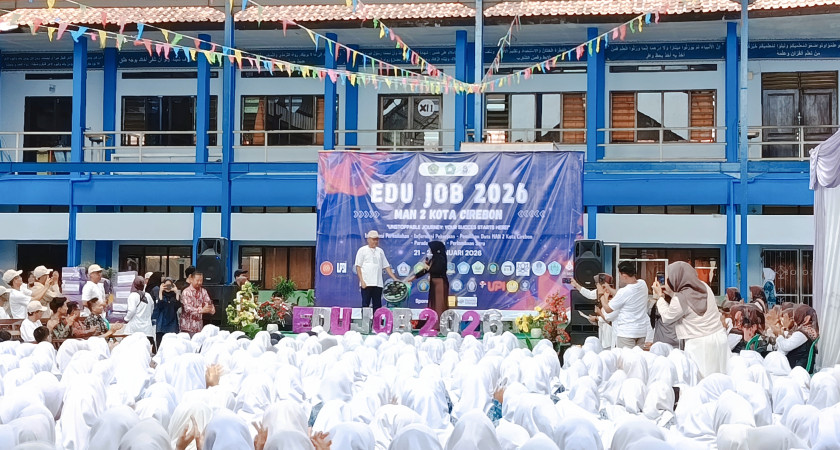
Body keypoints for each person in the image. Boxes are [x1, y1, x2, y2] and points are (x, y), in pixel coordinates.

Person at [654, 261, 729, 377]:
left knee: (702, 381)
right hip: (719, 338)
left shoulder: (680, 299)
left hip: (699, 345)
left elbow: (667, 317)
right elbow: (687, 302)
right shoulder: (705, 286)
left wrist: (660, 297)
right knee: (721, 377)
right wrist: (672, 293)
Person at [599, 262, 650, 349]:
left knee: (626, 357)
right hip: (641, 331)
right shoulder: (642, 284)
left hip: (626, 333)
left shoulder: (624, 292)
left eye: (619, 275)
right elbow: (622, 297)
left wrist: (601, 295)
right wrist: (609, 288)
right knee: (638, 357)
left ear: (624, 276)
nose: (619, 277)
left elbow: (608, 309)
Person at [355, 230, 398, 310]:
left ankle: (377, 318)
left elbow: (386, 266)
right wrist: (362, 281)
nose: (375, 241)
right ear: (368, 239)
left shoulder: (380, 251)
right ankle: (365, 318)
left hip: (378, 283)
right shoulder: (362, 250)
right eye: (373, 239)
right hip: (366, 283)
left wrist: (394, 278)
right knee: (365, 304)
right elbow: (358, 267)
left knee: (377, 305)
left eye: (377, 239)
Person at [572, 273, 616, 349]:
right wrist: (576, 285)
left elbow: (610, 317)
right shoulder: (599, 292)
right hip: (603, 329)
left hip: (609, 330)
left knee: (608, 347)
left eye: (597, 284)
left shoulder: (613, 297)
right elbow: (589, 294)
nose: (596, 286)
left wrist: (596, 318)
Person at [406, 241, 449, 318]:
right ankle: (434, 321)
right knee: (434, 303)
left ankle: (440, 322)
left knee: (439, 304)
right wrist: (414, 277)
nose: (430, 250)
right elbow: (426, 270)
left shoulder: (441, 258)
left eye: (431, 248)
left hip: (440, 283)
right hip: (434, 283)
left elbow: (437, 270)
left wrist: (428, 267)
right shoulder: (433, 258)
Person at [775, 304, 819, 372]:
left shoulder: (802, 334)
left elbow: (785, 347)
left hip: (797, 369)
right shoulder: (810, 330)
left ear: (806, 318)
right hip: (800, 365)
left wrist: (779, 334)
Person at [125, 276, 155, 344]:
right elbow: (152, 309)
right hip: (147, 329)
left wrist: (126, 319)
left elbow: (131, 310)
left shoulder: (133, 295)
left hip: (134, 328)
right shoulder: (148, 296)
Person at [153, 277, 182, 348]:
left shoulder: (174, 296)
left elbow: (177, 306)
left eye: (169, 285)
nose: (168, 287)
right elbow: (159, 306)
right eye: (166, 285)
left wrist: (176, 293)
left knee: (172, 347)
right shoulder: (160, 295)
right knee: (160, 346)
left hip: (172, 324)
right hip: (161, 324)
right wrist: (160, 291)